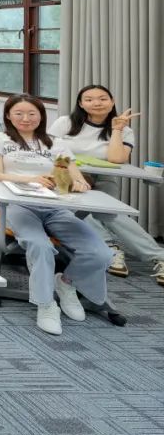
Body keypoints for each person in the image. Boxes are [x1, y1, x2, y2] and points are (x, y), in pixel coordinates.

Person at [0, 94, 113, 336]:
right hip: (19, 204)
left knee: (101, 253)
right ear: (8, 116)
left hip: (55, 206)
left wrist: (79, 183)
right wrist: (31, 179)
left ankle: (66, 283)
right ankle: (45, 305)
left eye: (32, 113)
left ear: (42, 116)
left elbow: (73, 173)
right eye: (19, 113)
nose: (25, 118)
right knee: (40, 247)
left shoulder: (55, 143)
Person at [50, 85, 163, 286]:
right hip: (66, 174)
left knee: (111, 212)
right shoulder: (65, 123)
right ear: (80, 104)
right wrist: (73, 177)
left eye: (103, 99)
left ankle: (156, 257)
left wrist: (117, 129)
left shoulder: (124, 130)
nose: (96, 103)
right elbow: (52, 152)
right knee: (83, 207)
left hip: (103, 177)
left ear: (112, 102)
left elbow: (117, 158)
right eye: (89, 99)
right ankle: (112, 247)